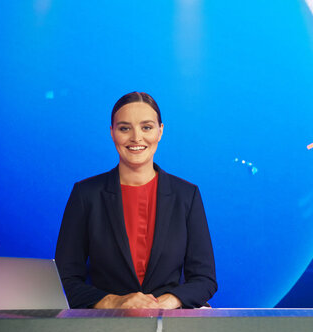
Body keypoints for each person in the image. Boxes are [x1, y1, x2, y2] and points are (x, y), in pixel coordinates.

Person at [55, 91, 217, 309]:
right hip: (104, 329)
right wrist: (114, 302)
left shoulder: (186, 195)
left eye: (147, 127)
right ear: (112, 133)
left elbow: (204, 279)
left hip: (170, 326)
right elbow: (64, 281)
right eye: (124, 128)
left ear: (160, 131)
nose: (136, 138)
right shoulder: (86, 194)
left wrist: (166, 302)